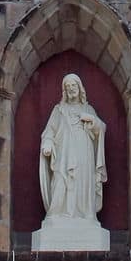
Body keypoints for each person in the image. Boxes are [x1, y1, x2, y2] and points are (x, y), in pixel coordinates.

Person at [36, 72, 107, 247]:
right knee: (61, 181)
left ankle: (85, 215)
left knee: (83, 183)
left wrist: (92, 120)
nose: (71, 90)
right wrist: (47, 144)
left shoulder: (88, 109)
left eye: (73, 86)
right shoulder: (58, 110)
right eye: (67, 87)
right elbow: (49, 132)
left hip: (84, 152)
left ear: (79, 88)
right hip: (63, 153)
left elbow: (101, 128)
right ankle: (57, 214)